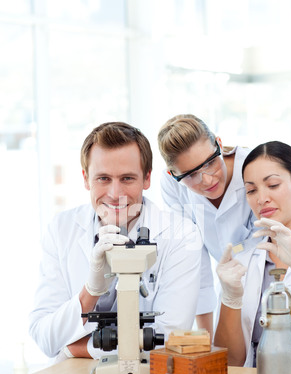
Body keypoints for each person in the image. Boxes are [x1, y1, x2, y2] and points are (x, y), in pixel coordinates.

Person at [29, 122, 207, 361]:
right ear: (85, 179)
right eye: (103, 178)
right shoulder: (62, 229)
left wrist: (75, 348)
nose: (115, 193)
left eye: (127, 178)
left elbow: (168, 338)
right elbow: (44, 336)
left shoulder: (182, 234)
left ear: (146, 179)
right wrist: (90, 292)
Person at [157, 114, 256, 334]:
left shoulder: (252, 168)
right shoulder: (173, 186)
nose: (208, 180)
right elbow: (194, 257)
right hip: (228, 288)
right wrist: (206, 339)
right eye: (191, 174)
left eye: (211, 162)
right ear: (172, 175)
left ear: (219, 144)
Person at [214, 141, 291, 367]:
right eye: (251, 190)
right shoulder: (244, 260)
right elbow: (229, 362)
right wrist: (230, 298)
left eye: (272, 185)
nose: (261, 198)